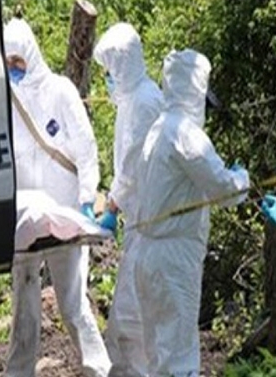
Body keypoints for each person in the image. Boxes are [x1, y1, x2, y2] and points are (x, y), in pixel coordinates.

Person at [129, 49, 250, 376]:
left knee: (159, 355)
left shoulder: (158, 128)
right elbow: (224, 189)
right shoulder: (186, 134)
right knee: (179, 355)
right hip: (173, 257)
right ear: (196, 89)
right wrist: (243, 178)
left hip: (148, 253)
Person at [3, 18, 111, 377]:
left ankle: (99, 369)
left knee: (72, 301)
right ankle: (19, 372)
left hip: (63, 214)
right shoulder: (6, 100)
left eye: (18, 60)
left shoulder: (60, 91)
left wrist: (87, 198)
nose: (13, 68)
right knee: (24, 303)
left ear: (31, 55)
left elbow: (86, 148)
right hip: (25, 219)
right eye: (8, 61)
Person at [92, 22, 164, 376]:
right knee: (127, 317)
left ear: (121, 65)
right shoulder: (134, 99)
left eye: (108, 70)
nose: (106, 78)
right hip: (141, 222)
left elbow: (133, 165)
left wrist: (111, 204)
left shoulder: (145, 102)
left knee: (131, 317)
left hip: (151, 224)